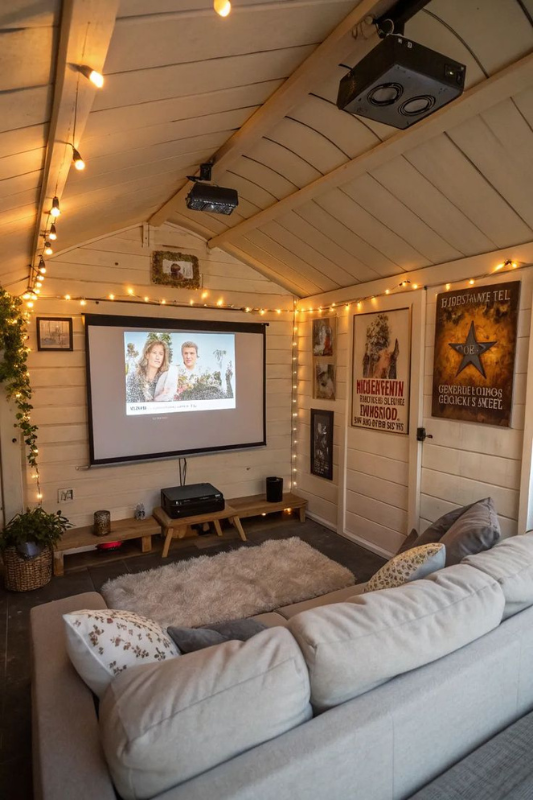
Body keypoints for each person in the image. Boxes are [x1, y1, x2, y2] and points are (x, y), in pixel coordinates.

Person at [126, 338, 170, 403]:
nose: (158, 357)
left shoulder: (166, 379)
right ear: (147, 355)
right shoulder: (134, 377)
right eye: (154, 353)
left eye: (161, 354)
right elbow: (130, 402)